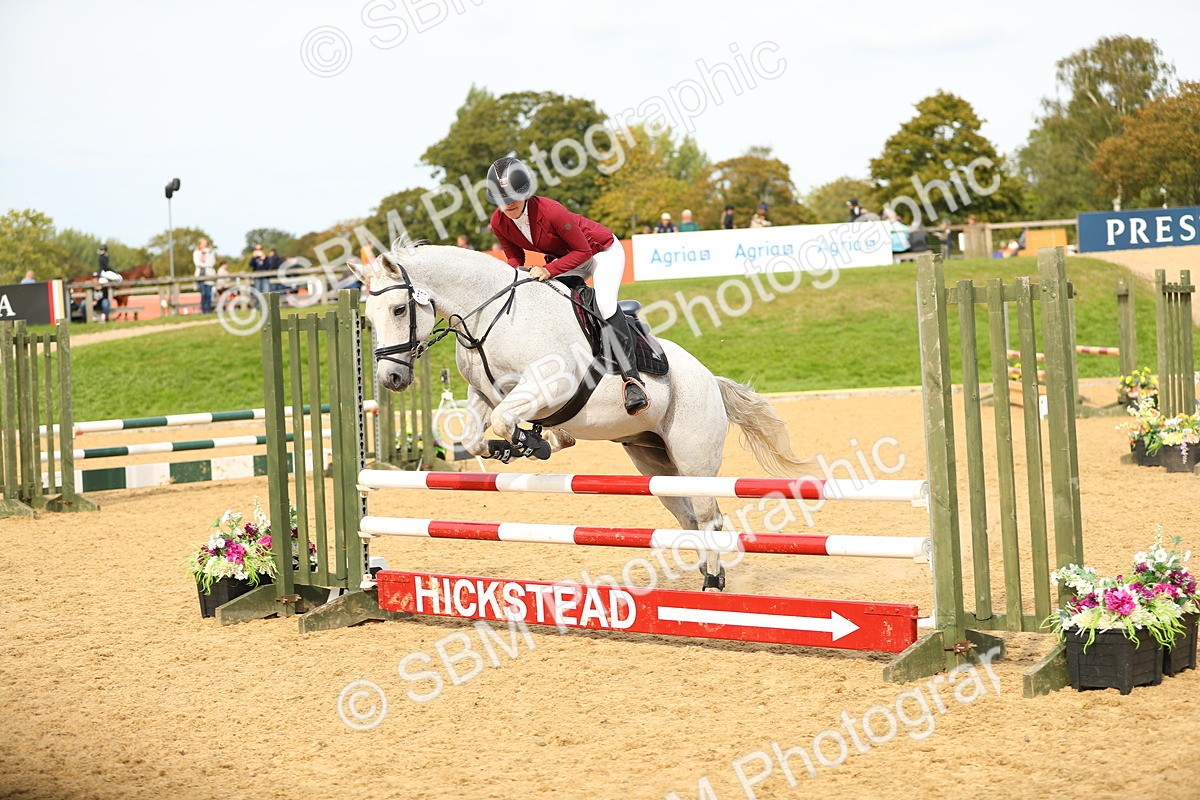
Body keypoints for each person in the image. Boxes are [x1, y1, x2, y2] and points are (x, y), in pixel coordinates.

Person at [486, 156, 649, 415]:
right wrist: (516, 276)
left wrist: (548, 269)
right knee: (552, 302)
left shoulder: (551, 210)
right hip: (568, 258)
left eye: (512, 198)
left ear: (525, 192)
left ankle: (632, 380)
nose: (507, 205)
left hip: (600, 251)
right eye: (501, 200)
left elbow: (583, 250)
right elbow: (516, 258)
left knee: (605, 304)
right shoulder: (499, 222)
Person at [193, 238, 217, 313]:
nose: (204, 245)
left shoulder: (210, 252)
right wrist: (206, 264)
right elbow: (198, 263)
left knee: (209, 294)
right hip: (201, 275)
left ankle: (208, 310)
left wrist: (207, 262)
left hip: (209, 274)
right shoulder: (197, 252)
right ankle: (204, 309)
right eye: (203, 243)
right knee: (204, 293)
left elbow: (212, 262)